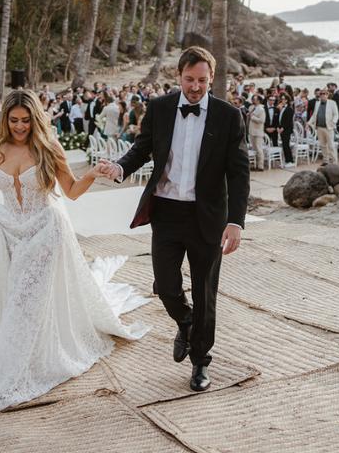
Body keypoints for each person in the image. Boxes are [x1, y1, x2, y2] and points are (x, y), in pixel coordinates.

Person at [0, 89, 148, 410]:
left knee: (26, 297)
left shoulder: (48, 148)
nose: (20, 126)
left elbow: (70, 191)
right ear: (4, 120)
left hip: (46, 229)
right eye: (14, 120)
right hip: (11, 228)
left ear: (35, 119)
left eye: (26, 120)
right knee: (16, 293)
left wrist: (92, 175)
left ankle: (14, 370)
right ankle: (21, 352)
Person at [98, 45, 250, 394]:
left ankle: (200, 363)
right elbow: (142, 148)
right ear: (178, 76)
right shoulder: (161, 108)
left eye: (201, 81)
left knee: (205, 291)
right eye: (188, 79)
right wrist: (120, 167)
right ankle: (186, 320)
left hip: (207, 217)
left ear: (211, 79)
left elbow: (239, 175)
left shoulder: (229, 117)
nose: (195, 87)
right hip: (166, 212)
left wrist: (235, 222)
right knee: (165, 286)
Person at [246, 93, 268, 167]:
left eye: (255, 99)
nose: (253, 101)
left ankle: (260, 165)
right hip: (251, 130)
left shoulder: (261, 109)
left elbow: (262, 120)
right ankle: (254, 164)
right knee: (254, 148)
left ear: (259, 101)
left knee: (259, 149)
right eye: (253, 99)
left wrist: (252, 117)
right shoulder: (251, 107)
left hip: (258, 131)